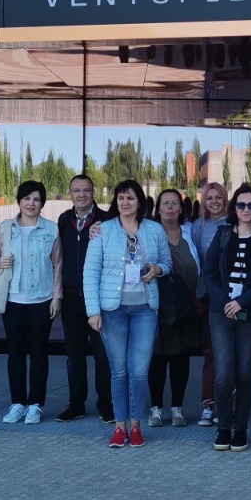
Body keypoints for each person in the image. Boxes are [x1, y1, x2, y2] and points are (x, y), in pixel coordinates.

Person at [84, 179, 172, 448]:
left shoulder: (155, 230)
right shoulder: (102, 230)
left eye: (130, 198)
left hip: (145, 309)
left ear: (140, 202)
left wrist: (157, 269)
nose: (125, 202)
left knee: (139, 371)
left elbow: (167, 262)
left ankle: (136, 425)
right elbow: (90, 272)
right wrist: (92, 311)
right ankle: (119, 426)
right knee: (119, 371)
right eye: (121, 197)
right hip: (112, 310)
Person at [202, 183, 251, 452]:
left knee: (244, 373)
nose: (246, 209)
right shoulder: (222, 234)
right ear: (234, 208)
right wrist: (225, 302)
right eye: (241, 204)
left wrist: (241, 302)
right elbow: (208, 272)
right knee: (223, 374)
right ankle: (224, 427)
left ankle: (240, 429)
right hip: (221, 313)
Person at [0, 180, 62, 426]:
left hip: (42, 300)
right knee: (15, 353)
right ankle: (18, 402)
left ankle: (35, 404)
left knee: (39, 353)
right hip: (12, 299)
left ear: (42, 203)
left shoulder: (51, 229)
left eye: (36, 199)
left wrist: (57, 297)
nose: (31, 203)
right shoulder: (6, 227)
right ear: (19, 201)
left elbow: (58, 264)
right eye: (27, 198)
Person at [55, 175, 113, 424]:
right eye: (76, 190)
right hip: (71, 298)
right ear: (70, 194)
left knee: (103, 355)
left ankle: (106, 405)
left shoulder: (107, 220)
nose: (81, 195)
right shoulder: (64, 220)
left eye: (86, 190)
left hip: (98, 298)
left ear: (93, 193)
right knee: (74, 355)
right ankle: (76, 404)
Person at [148, 189, 201, 427]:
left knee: (181, 357)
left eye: (174, 203)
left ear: (181, 209)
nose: (170, 207)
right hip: (159, 306)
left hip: (186, 305)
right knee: (158, 358)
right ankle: (156, 408)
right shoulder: (150, 233)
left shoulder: (190, 232)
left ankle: (178, 407)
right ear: (158, 209)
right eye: (165, 203)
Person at [187, 182, 230, 426]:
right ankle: (208, 404)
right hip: (209, 297)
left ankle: (229, 404)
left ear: (225, 199)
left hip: (233, 296)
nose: (214, 201)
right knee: (211, 352)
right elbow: (197, 261)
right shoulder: (198, 226)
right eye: (209, 198)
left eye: (218, 197)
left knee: (232, 353)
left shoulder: (234, 223)